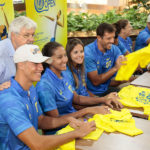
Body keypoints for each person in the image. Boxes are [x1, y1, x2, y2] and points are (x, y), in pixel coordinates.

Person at [0, 44, 96, 150]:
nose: (41, 67)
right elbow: (37, 144)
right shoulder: (9, 100)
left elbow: (41, 120)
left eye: (41, 63)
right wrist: (77, 133)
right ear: (21, 65)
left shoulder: (30, 88)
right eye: (35, 63)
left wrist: (68, 119)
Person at [36, 41, 123, 134]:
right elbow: (56, 120)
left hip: (77, 120)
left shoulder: (63, 74)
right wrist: (88, 110)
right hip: (60, 131)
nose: (65, 60)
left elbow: (77, 98)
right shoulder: (45, 85)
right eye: (59, 57)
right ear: (48, 60)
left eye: (65, 55)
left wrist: (104, 99)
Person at [84, 23, 126, 97]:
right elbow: (96, 81)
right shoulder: (88, 52)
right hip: (93, 94)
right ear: (99, 38)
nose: (112, 41)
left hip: (107, 88)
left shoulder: (113, 49)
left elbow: (123, 62)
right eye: (109, 38)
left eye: (113, 37)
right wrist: (116, 68)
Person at [0, 16, 36, 86]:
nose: (32, 39)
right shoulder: (1, 51)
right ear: (13, 35)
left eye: (33, 35)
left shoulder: (27, 49)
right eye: (26, 35)